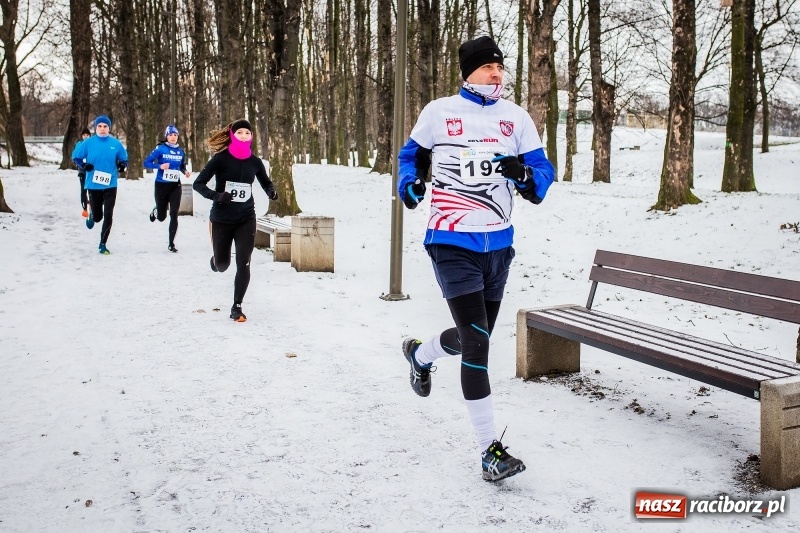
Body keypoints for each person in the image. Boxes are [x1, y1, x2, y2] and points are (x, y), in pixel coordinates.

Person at [397, 36, 556, 482]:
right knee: (479, 343)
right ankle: (489, 451)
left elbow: (543, 173)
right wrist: (409, 183)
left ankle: (420, 355)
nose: (496, 74)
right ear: (467, 72)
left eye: (500, 68)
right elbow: (410, 158)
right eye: (487, 68)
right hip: (451, 242)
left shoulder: (516, 117)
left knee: (473, 337)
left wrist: (525, 175)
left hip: (498, 247)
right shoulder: (439, 112)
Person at [193, 118, 279, 322]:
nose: (243, 136)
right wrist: (217, 195)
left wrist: (271, 191)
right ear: (232, 135)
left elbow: (265, 182)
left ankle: (237, 306)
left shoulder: (255, 162)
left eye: (247, 133)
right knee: (223, 265)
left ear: (252, 137)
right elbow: (198, 183)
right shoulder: (220, 159)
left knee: (244, 262)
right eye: (239, 133)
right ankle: (215, 261)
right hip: (221, 218)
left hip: (246, 218)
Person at [71, 115, 129, 255]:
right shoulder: (88, 143)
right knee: (98, 217)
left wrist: (122, 165)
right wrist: (84, 165)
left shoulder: (115, 143)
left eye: (105, 126)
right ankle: (92, 214)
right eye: (100, 126)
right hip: (93, 184)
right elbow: (76, 157)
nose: (102, 129)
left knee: (109, 214)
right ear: (96, 128)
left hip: (111, 183)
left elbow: (124, 159)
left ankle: (103, 244)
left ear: (109, 128)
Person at [143, 125, 191, 252]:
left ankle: (171, 243)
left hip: (175, 186)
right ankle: (156, 210)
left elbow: (181, 165)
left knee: (174, 214)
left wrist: (185, 171)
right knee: (161, 217)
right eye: (170, 135)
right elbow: (146, 163)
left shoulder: (181, 151)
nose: (173, 137)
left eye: (175, 135)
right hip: (161, 185)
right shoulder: (160, 149)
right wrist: (160, 166)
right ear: (166, 136)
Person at [75, 128, 91, 218]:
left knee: (92, 190)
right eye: (84, 135)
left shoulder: (93, 145)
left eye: (87, 135)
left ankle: (92, 203)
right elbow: (76, 157)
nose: (85, 136)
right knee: (83, 190)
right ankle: (84, 208)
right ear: (82, 136)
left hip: (91, 171)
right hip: (82, 171)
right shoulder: (79, 145)